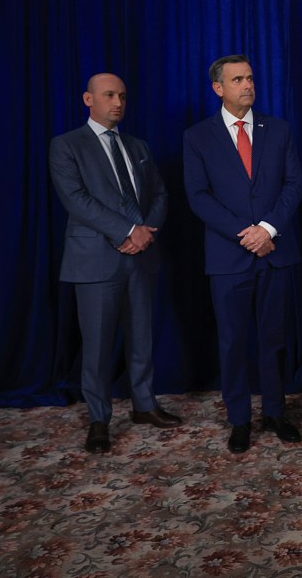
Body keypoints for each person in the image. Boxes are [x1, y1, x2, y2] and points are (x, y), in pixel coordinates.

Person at [49, 73, 182, 454]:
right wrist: (127, 230)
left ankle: (144, 405)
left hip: (141, 256)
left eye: (122, 95)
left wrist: (145, 231)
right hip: (94, 259)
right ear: (88, 99)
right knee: (97, 344)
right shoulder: (66, 145)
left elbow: (159, 192)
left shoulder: (137, 145)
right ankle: (99, 419)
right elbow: (75, 199)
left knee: (142, 336)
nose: (118, 102)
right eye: (109, 95)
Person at [183, 55, 302, 454]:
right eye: (238, 80)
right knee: (232, 341)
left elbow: (293, 184)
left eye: (251, 78)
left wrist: (267, 229)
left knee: (274, 339)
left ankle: (275, 412)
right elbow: (198, 196)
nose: (248, 85)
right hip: (228, 257)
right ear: (218, 88)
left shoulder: (280, 130)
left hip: (274, 252)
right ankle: (239, 418)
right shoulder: (198, 137)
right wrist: (246, 235)